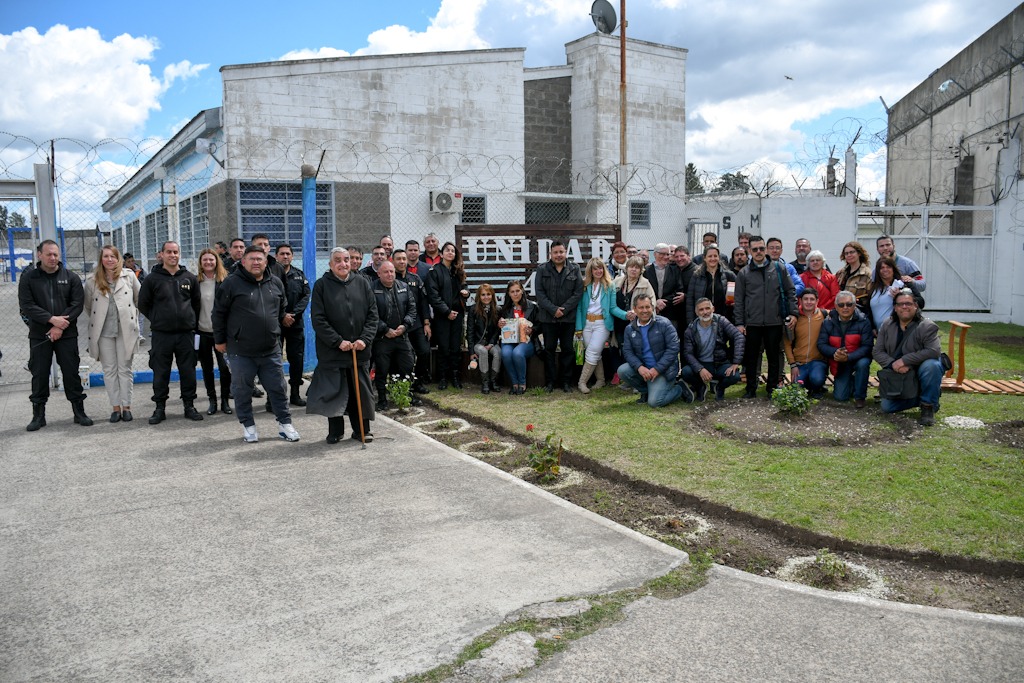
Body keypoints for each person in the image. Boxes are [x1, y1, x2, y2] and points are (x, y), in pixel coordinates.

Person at [213, 246, 299, 443]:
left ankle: (285, 424)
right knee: (242, 390)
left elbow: (281, 309)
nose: (256, 262)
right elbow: (218, 314)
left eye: (260, 259)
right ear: (244, 262)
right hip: (241, 351)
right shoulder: (231, 283)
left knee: (278, 388)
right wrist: (219, 340)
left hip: (270, 350)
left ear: (266, 261)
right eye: (251, 259)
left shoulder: (275, 283)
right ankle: (248, 426)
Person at [307, 247, 378, 443]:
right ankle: (335, 432)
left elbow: (373, 315)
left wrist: (364, 339)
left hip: (359, 350)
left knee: (360, 393)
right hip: (333, 352)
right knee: (334, 394)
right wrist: (338, 341)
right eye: (338, 260)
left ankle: (362, 430)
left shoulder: (363, 284)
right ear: (330, 264)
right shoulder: (321, 285)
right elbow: (318, 319)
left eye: (346, 259)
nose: (343, 263)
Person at [19, 239, 92, 430]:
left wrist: (60, 326)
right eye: (49, 254)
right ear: (39, 255)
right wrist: (52, 320)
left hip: (66, 334)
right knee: (40, 374)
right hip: (39, 334)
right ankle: (38, 415)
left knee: (71, 373)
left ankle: (79, 412)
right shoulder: (29, 278)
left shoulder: (71, 278)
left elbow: (77, 304)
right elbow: (27, 305)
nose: (53, 258)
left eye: (56, 254)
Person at [138, 240, 204, 424]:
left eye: (175, 252)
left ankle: (189, 405)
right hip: (161, 334)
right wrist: (158, 318)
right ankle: (160, 408)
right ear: (161, 254)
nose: (173, 255)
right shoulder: (152, 279)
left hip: (186, 334)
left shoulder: (189, 278)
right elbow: (143, 303)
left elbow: (196, 304)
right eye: (169, 252)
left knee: (188, 371)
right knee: (160, 372)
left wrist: (189, 320)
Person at [734, 236, 798, 399]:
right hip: (752, 323)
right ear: (749, 251)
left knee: (774, 356)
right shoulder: (744, 273)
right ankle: (751, 388)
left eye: (761, 248)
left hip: (774, 321)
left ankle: (772, 388)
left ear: (766, 249)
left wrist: (793, 313)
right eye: (754, 249)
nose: (758, 252)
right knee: (752, 357)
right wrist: (740, 323)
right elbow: (739, 300)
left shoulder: (779, 268)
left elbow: (790, 292)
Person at [84, 245, 141, 423]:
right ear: (101, 259)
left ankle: (127, 407)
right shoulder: (92, 280)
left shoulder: (129, 276)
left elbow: (139, 299)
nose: (109, 259)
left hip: (125, 330)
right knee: (109, 370)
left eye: (113, 256)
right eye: (106, 256)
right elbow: (88, 307)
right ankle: (115, 407)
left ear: (118, 259)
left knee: (125, 369)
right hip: (104, 332)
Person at [873, 289, 943, 426]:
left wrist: (905, 361)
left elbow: (934, 351)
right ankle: (927, 396)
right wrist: (893, 364)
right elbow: (877, 351)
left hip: (920, 369)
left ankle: (928, 406)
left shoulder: (927, 326)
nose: (904, 307)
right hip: (898, 373)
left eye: (908, 303)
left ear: (915, 306)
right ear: (895, 307)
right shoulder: (887, 324)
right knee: (887, 407)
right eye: (900, 304)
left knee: (933, 365)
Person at [535, 240, 584, 392]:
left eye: (561, 252)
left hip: (568, 318)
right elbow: (540, 293)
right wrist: (553, 309)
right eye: (555, 252)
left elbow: (578, 292)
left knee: (567, 350)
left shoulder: (574, 269)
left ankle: (566, 382)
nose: (558, 255)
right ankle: (550, 382)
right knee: (549, 349)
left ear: (566, 252)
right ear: (550, 254)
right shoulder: (542, 269)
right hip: (548, 318)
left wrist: (564, 309)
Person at [618, 294, 683, 408]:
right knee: (623, 371)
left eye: (647, 307)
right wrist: (639, 367)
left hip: (664, 370)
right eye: (641, 307)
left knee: (654, 402)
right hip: (645, 369)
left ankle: (680, 388)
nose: (645, 311)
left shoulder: (664, 323)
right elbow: (628, 352)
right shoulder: (629, 329)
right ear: (635, 309)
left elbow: (673, 349)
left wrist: (657, 369)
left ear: (652, 308)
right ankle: (647, 390)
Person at [371, 261, 421, 410]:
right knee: (382, 369)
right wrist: (385, 329)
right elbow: (370, 314)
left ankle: (405, 395)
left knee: (407, 365)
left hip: (402, 336)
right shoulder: (371, 289)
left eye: (392, 271)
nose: (390, 274)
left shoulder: (404, 287)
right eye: (386, 272)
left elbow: (412, 310)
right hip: (382, 338)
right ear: (379, 273)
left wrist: (404, 326)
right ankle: (381, 400)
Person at [575, 257, 625, 394]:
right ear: (590, 270)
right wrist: (578, 328)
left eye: (600, 268)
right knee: (595, 353)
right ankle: (601, 380)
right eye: (595, 268)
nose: (598, 271)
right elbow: (579, 308)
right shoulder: (584, 285)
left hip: (602, 324)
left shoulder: (610, 286)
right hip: (586, 324)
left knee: (592, 352)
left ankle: (582, 382)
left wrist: (626, 315)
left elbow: (613, 308)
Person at [679, 297, 744, 402]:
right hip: (702, 363)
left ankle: (720, 388)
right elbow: (688, 353)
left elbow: (738, 336)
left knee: (734, 376)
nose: (705, 312)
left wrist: (736, 362)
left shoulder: (721, 321)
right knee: (686, 372)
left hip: (720, 363)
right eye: (701, 310)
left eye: (707, 308)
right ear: (696, 312)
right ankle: (700, 387)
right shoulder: (691, 329)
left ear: (713, 309)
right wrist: (700, 369)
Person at [817, 290, 874, 408]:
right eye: (841, 305)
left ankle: (860, 397)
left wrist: (849, 357)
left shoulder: (864, 321)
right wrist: (835, 353)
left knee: (863, 364)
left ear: (854, 305)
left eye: (849, 304)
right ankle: (852, 383)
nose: (845, 308)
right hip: (839, 362)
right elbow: (821, 344)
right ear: (836, 307)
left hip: (857, 359)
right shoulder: (827, 322)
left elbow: (867, 346)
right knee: (840, 397)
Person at [425, 241, 469, 390]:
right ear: (441, 253)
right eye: (447, 250)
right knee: (443, 347)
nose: (450, 252)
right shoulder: (435, 271)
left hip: (458, 315)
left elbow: (465, 288)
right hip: (442, 316)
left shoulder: (458, 271)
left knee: (455, 347)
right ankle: (443, 377)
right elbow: (433, 296)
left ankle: (455, 377)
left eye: (453, 251)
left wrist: (466, 293)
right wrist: (446, 311)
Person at [195, 248, 232, 416]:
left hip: (221, 334)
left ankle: (225, 401)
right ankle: (212, 401)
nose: (208, 262)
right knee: (207, 368)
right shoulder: (196, 282)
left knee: (224, 368)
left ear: (217, 261)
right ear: (201, 263)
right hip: (202, 332)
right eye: (205, 260)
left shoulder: (226, 281)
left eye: (211, 259)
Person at [276, 243, 311, 406]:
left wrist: (293, 315)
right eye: (282, 254)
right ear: (276, 256)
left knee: (296, 360)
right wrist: (282, 315)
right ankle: (273, 398)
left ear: (292, 256)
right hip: (275, 324)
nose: (285, 256)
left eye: (288, 254)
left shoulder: (299, 275)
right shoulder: (271, 274)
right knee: (274, 361)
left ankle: (295, 394)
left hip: (295, 324)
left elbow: (305, 296)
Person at [393, 248, 432, 393]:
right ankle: (402, 385)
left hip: (416, 325)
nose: (402, 261)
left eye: (404, 259)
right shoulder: (391, 280)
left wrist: (427, 323)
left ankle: (418, 382)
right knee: (404, 358)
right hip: (398, 326)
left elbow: (423, 303)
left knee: (424, 351)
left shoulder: (415, 279)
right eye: (399, 259)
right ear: (393, 261)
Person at [784, 289, 828, 399]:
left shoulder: (823, 315)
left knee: (817, 379)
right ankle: (807, 384)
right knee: (796, 387)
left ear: (817, 301)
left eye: (812, 299)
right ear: (800, 301)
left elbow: (839, 311)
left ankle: (817, 386)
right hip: (799, 362)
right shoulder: (794, 318)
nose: (809, 302)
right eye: (806, 299)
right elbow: (787, 344)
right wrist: (792, 364)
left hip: (817, 360)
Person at [499, 280, 539, 395]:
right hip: (509, 341)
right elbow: (500, 327)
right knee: (506, 353)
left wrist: (532, 330)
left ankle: (522, 383)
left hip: (526, 341)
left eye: (517, 290)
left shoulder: (532, 306)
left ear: (522, 291)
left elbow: (540, 325)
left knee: (517, 353)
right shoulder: (505, 309)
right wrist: (500, 324)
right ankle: (514, 383)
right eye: (512, 292)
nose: (515, 294)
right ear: (509, 294)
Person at [869, 256, 923, 330]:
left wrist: (900, 296)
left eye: (888, 267)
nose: (885, 270)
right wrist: (872, 328)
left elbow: (921, 302)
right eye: (882, 268)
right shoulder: (873, 288)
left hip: (901, 330)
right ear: (878, 271)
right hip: (880, 332)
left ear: (893, 269)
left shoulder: (905, 284)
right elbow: (869, 310)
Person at [686, 245, 735, 325]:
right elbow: (690, 300)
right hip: (703, 319)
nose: (713, 259)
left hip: (724, 318)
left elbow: (738, 295)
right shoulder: (697, 275)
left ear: (719, 257)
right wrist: (691, 321)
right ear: (704, 258)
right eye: (710, 256)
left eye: (715, 256)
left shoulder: (728, 275)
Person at [467, 283, 503, 394]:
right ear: (478, 296)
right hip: (479, 343)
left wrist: (492, 343)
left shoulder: (498, 309)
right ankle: (485, 382)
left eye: (488, 294)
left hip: (491, 343)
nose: (486, 297)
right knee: (482, 351)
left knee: (497, 352)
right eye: (483, 295)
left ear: (492, 295)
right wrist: (471, 351)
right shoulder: (473, 310)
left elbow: (498, 330)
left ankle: (493, 381)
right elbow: (470, 331)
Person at [644, 243, 685, 329]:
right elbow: (643, 291)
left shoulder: (675, 270)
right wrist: (655, 302)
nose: (665, 257)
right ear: (655, 254)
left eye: (667, 254)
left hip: (670, 312)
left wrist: (663, 303)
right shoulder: (646, 271)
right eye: (662, 254)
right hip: (650, 311)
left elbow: (679, 290)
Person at [836, 241, 872, 312]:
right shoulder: (840, 273)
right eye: (846, 253)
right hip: (842, 312)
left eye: (852, 252)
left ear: (859, 253)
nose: (849, 255)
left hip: (860, 312)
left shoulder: (867, 274)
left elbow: (871, 297)